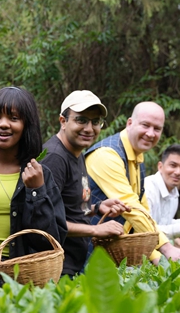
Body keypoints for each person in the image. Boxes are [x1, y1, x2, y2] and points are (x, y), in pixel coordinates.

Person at [0, 86, 68, 280]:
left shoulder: (41, 175)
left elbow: (50, 242)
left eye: (13, 118)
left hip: (25, 279)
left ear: (26, 125)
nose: (3, 124)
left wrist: (36, 191)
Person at [84, 101, 180, 263]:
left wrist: (155, 256)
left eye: (157, 129)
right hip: (86, 250)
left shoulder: (137, 156)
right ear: (129, 123)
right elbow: (131, 208)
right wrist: (166, 248)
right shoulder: (107, 155)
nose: (150, 133)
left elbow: (143, 210)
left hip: (111, 252)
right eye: (145, 125)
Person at [41, 90, 130, 277]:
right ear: (63, 121)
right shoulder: (54, 158)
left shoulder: (77, 152)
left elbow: (69, 208)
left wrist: (98, 208)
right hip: (55, 268)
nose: (89, 128)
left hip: (73, 264)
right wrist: (96, 229)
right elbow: (46, 222)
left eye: (95, 121)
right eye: (81, 120)